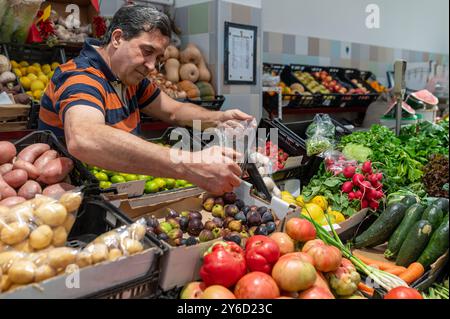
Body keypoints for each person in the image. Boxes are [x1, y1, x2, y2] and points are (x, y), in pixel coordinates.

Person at [38, 5, 253, 195]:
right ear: (117, 38)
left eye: (158, 57)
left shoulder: (129, 78)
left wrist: (220, 118)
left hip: (121, 189)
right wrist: (191, 165)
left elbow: (173, 111)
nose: (151, 66)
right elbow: (84, 138)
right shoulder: (80, 76)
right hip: (76, 199)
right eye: (147, 51)